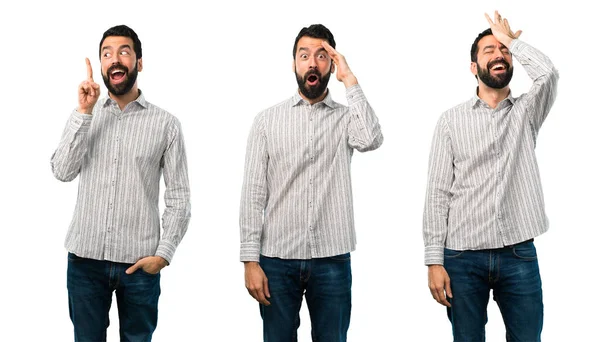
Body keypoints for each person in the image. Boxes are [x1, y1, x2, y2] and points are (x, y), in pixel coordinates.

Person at [239, 24, 383, 341]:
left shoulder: (347, 118)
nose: (312, 63)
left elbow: (372, 139)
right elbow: (252, 194)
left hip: (332, 258)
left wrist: (351, 80)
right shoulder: (267, 120)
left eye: (322, 56)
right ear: (294, 64)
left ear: (331, 64)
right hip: (276, 260)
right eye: (304, 56)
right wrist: (250, 260)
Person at [423, 11, 558, 341]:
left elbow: (549, 74)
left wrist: (512, 40)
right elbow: (438, 192)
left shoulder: (526, 112)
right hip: (462, 256)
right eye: (489, 50)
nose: (499, 55)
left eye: (504, 52)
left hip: (519, 254)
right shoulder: (450, 121)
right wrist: (433, 261)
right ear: (474, 68)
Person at [51, 25, 191, 341]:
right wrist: (84, 112)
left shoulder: (166, 124)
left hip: (140, 266)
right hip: (85, 263)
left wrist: (164, 253)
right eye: (107, 53)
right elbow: (62, 171)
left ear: (139, 62)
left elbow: (179, 196)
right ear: (102, 65)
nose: (115, 60)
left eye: (124, 52)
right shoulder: (85, 116)